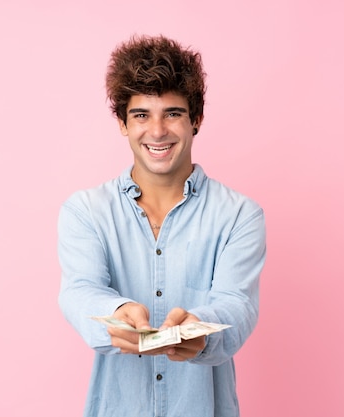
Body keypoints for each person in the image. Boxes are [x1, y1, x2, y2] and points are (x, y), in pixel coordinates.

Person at [58, 35, 266, 417]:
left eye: (172, 113)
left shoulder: (239, 215)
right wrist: (116, 312)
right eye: (141, 115)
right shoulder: (86, 210)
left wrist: (202, 329)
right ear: (122, 122)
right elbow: (79, 291)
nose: (156, 131)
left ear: (196, 120)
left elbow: (238, 305)